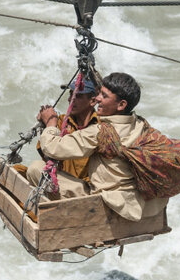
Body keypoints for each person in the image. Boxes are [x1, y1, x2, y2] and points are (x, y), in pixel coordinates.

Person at [25, 71, 167, 221]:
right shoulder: (141, 125)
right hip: (142, 205)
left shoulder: (101, 132)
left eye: (104, 96)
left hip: (109, 205)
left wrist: (50, 124)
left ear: (121, 105)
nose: (98, 99)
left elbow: (52, 148)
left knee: (35, 169)